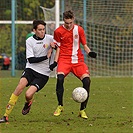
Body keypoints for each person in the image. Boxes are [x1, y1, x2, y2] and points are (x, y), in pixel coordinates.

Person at [0, 20, 54, 123]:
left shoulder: (50, 39)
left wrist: (54, 56)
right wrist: (46, 56)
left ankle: (28, 102)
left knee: (28, 95)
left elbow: (61, 46)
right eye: (39, 30)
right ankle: (5, 116)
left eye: (43, 29)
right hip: (31, 69)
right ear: (34, 30)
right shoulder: (29, 41)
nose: (42, 32)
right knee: (19, 87)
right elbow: (31, 60)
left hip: (43, 74)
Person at [50, 10, 97, 119]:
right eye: (67, 23)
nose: (69, 25)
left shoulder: (79, 30)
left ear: (73, 20)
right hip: (64, 60)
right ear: (64, 21)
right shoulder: (58, 32)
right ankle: (60, 105)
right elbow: (58, 48)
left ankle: (82, 110)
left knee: (87, 81)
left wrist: (90, 52)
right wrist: (55, 62)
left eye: (71, 22)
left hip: (78, 61)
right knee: (60, 79)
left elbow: (84, 45)